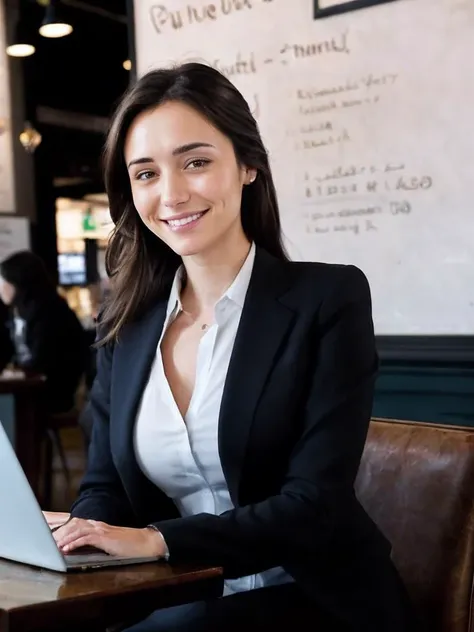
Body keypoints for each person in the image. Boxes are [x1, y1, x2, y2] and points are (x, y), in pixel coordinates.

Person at [47, 63, 418, 631]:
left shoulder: (328, 299)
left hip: (313, 595)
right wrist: (83, 535)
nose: (170, 194)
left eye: (196, 162)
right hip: (177, 594)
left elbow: (312, 506)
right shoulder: (127, 324)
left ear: (248, 166)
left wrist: (153, 541)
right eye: (145, 174)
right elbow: (104, 486)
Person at [0, 250, 89, 413]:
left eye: (4, 280)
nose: (1, 287)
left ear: (18, 282)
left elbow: (43, 360)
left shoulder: (51, 311)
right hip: (25, 387)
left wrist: (16, 372)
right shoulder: (16, 310)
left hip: (51, 391)